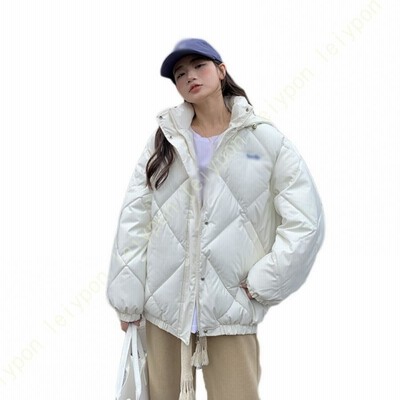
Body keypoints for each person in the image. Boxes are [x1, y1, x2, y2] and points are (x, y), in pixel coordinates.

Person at [107, 38, 325, 400]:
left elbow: (306, 222)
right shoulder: (165, 141)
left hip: (230, 309)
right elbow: (135, 217)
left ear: (221, 71)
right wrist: (127, 297)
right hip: (164, 309)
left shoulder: (265, 140)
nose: (190, 77)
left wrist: (264, 281)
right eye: (180, 74)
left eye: (199, 66)